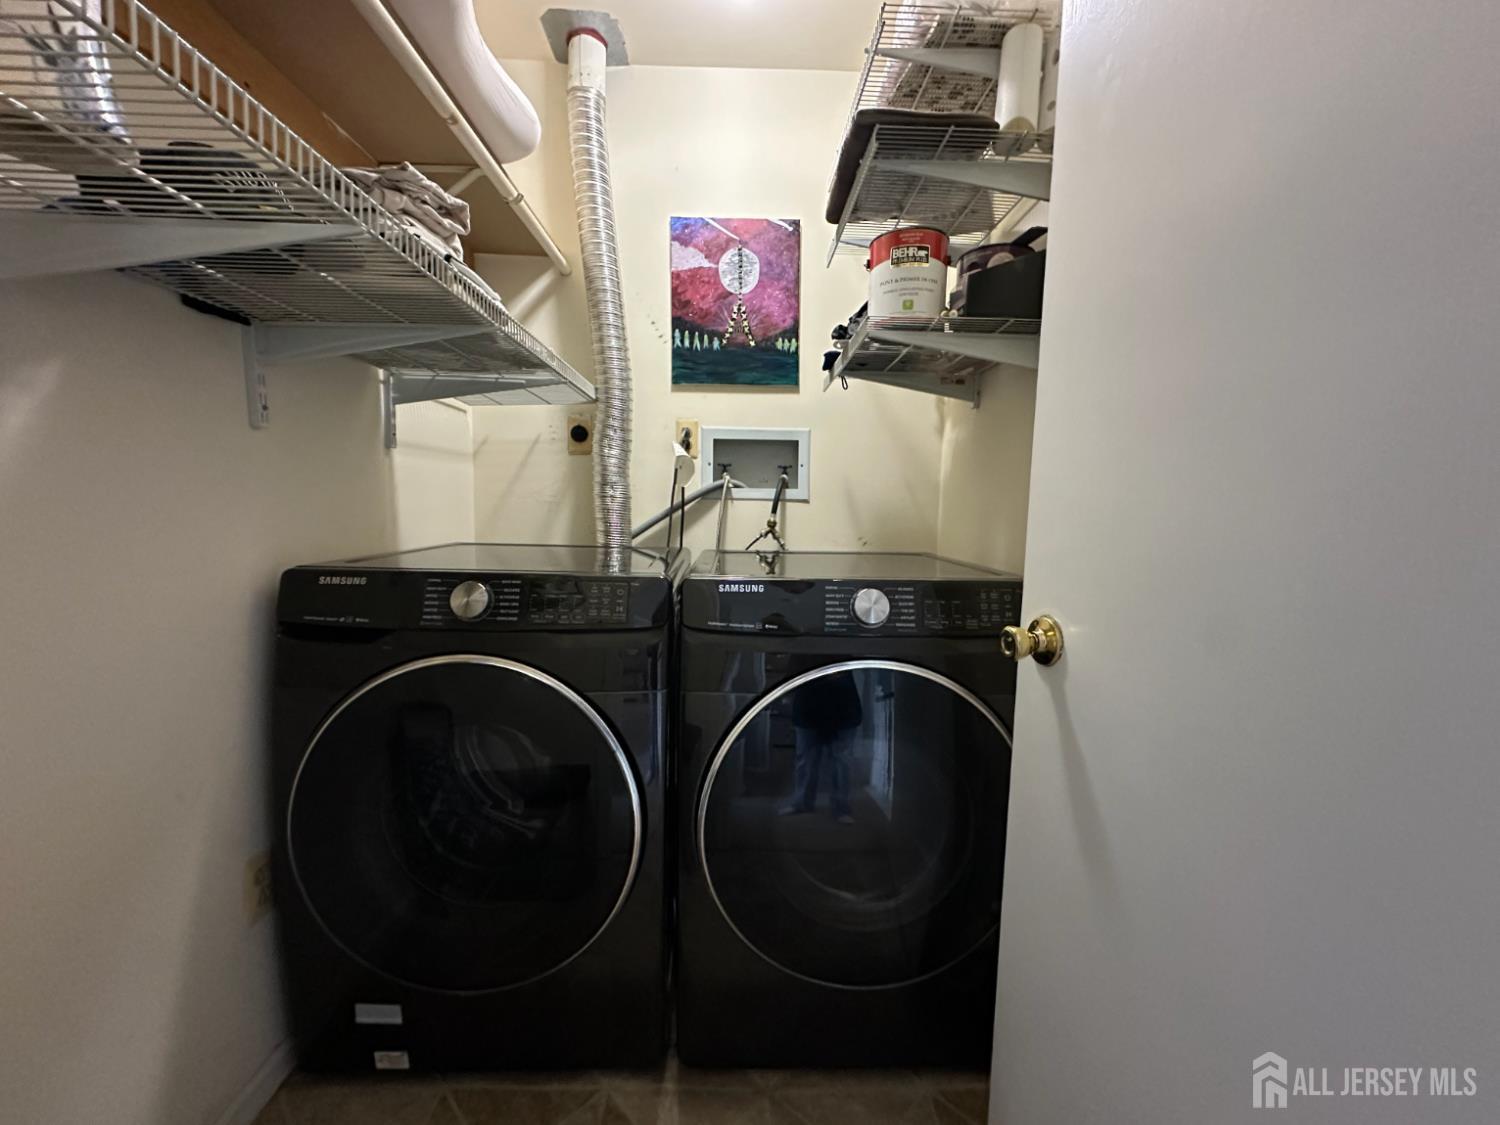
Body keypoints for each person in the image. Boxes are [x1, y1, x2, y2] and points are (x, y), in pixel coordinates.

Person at [780, 671, 863, 823]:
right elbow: (794, 668)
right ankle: (805, 803)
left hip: (840, 705)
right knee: (808, 759)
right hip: (813, 704)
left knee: (839, 761)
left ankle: (839, 807)